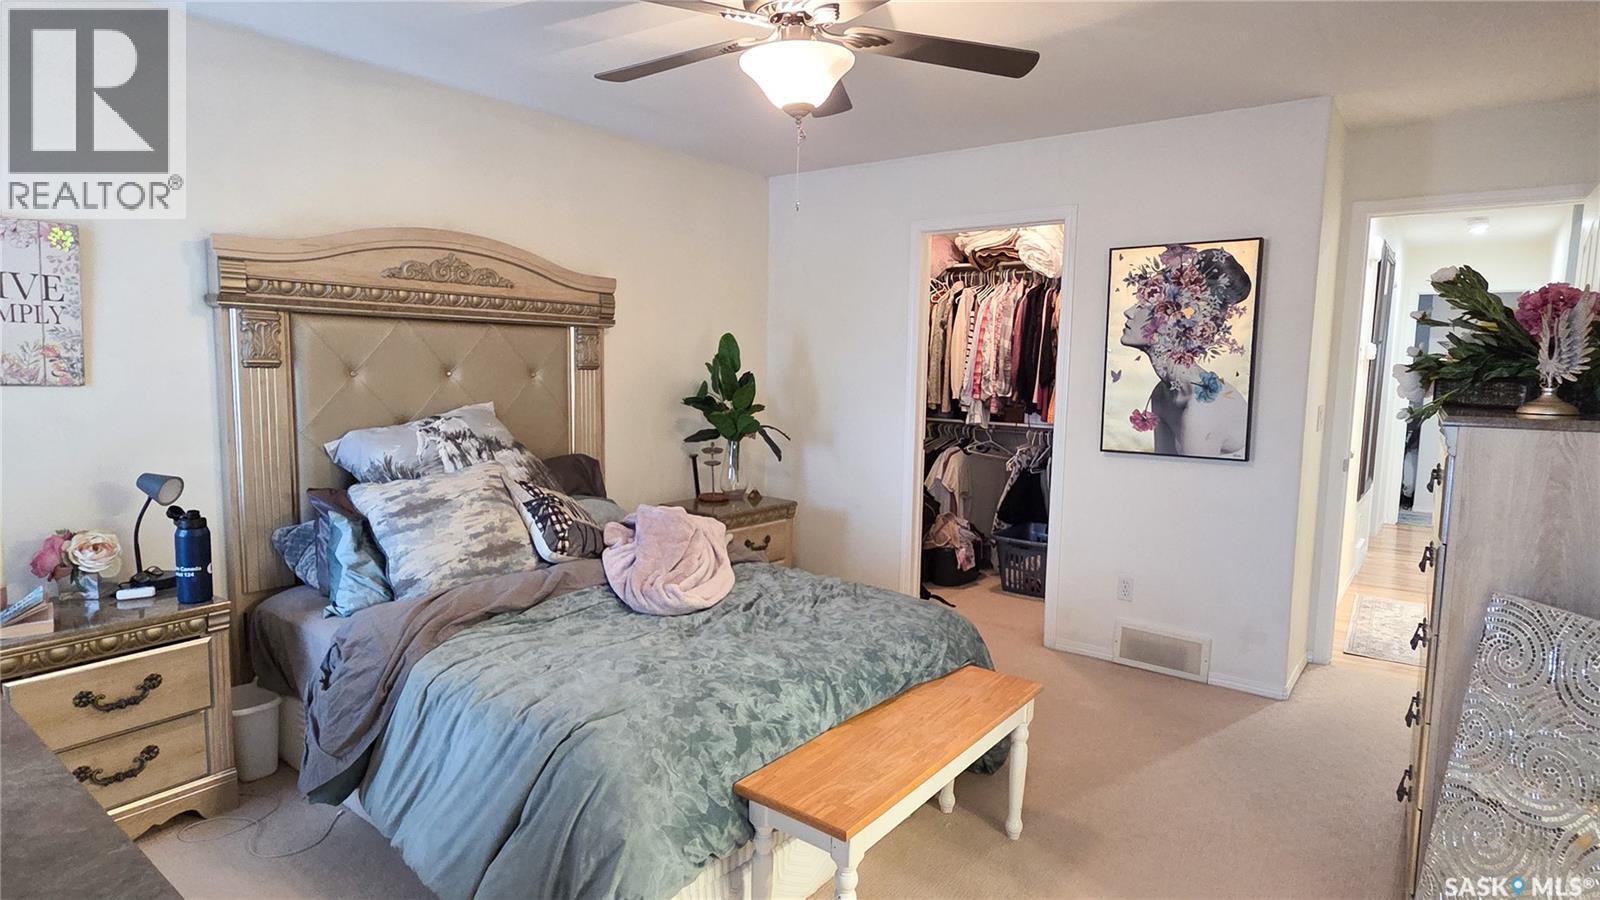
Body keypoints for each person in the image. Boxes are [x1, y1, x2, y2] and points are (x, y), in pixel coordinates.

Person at [1119, 245, 1252, 458]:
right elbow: (1165, 471)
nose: (1128, 312)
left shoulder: (1203, 407)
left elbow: (1194, 486)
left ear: (1171, 321)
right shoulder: (1163, 394)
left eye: (1143, 305)